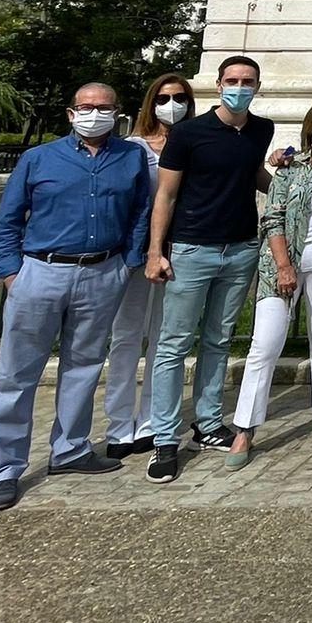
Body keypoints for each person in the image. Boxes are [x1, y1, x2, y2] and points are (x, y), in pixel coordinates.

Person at [0, 82, 152, 511]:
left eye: (104, 108)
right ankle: (5, 469)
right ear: (71, 113)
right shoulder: (38, 158)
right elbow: (7, 220)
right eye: (86, 107)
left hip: (102, 270)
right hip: (41, 271)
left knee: (84, 366)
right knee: (16, 375)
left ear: (118, 113)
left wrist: (128, 261)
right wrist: (10, 274)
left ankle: (70, 449)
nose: (95, 113)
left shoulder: (130, 156)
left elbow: (140, 212)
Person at [143, 55, 275, 485]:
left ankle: (208, 422)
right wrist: (155, 250)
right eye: (233, 80)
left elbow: (254, 174)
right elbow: (165, 195)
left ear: (257, 86)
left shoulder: (261, 128)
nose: (240, 86)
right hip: (192, 246)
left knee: (219, 340)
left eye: (248, 81)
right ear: (218, 85)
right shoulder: (187, 133)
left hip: (240, 247)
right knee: (174, 344)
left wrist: (293, 183)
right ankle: (165, 436)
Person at [225, 99, 312, 467]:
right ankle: (245, 428)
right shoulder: (291, 166)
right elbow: (273, 218)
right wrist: (284, 265)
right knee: (265, 345)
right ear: (310, 127)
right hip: (285, 264)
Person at [100, 72, 189, 459]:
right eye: (165, 97)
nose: (173, 104)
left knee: (165, 341)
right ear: (151, 103)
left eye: (181, 97)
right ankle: (119, 424)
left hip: (182, 250)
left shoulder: (193, 142)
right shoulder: (132, 148)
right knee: (125, 339)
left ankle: (151, 420)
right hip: (137, 253)